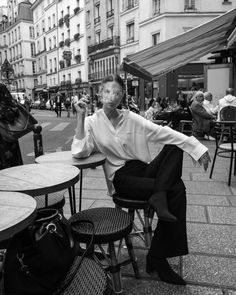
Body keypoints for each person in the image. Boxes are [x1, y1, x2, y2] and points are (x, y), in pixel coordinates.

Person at [71, 75, 211, 286]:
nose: (112, 96)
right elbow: (80, 151)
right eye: (108, 91)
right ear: (100, 93)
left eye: (117, 92)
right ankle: (158, 258)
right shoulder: (91, 122)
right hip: (121, 177)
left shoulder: (131, 118)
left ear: (122, 97)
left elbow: (162, 132)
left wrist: (197, 147)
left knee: (174, 146)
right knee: (177, 189)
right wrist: (80, 117)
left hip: (143, 170)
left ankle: (158, 198)